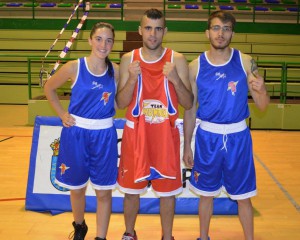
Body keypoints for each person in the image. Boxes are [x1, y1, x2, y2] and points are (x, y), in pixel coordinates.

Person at [183, 11, 270, 240]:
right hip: (207, 136)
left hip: (237, 137)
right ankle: (203, 237)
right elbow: (190, 110)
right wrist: (186, 146)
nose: (221, 33)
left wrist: (262, 90)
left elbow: (262, 106)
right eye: (216, 28)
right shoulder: (195, 66)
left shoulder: (245, 61)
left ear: (232, 32)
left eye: (226, 28)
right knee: (205, 195)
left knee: (243, 196)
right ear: (207, 32)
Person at [116, 8, 193, 240]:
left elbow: (189, 103)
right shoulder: (128, 59)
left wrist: (176, 80)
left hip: (165, 139)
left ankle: (167, 236)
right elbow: (120, 103)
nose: (152, 34)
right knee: (131, 193)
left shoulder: (176, 60)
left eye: (158, 29)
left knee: (168, 194)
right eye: (148, 28)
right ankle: (129, 233)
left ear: (165, 31)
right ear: (140, 30)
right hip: (135, 137)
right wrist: (131, 78)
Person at [44, 22, 119, 240]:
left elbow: (121, 99)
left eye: (108, 40)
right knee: (77, 188)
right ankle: (79, 226)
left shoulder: (116, 70)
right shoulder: (74, 67)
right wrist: (61, 114)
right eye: (99, 39)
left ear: (113, 44)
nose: (103, 44)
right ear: (89, 40)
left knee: (104, 191)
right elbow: (49, 87)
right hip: (76, 133)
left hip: (104, 134)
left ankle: (101, 236)